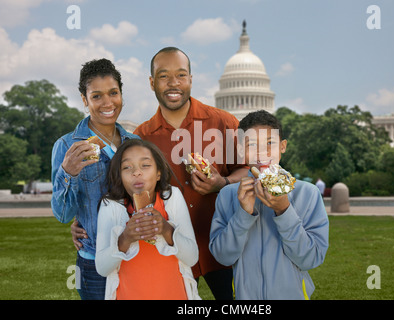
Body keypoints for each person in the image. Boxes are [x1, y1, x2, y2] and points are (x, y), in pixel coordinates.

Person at [133, 47, 248, 299]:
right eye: (163, 76)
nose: (173, 83)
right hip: (173, 248)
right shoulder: (140, 138)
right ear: (151, 83)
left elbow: (251, 170)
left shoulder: (224, 123)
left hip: (224, 244)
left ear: (191, 80)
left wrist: (222, 182)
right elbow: (129, 190)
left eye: (181, 75)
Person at [209, 110, 329, 300]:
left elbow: (311, 258)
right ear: (240, 150)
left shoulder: (308, 193)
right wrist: (242, 214)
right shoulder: (227, 195)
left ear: (282, 146)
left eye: (270, 143)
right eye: (251, 144)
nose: (261, 152)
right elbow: (223, 257)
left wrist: (284, 210)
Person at [51, 58, 140, 300]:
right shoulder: (67, 146)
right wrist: (68, 173)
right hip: (93, 263)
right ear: (84, 99)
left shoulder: (136, 144)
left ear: (121, 94)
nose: (107, 103)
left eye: (113, 93)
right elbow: (62, 214)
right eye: (97, 96)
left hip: (138, 256)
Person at [95, 139, 200, 300]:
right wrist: (125, 238)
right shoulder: (111, 206)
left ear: (158, 173)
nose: (136, 172)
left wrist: (166, 229)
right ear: (120, 176)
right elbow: (102, 268)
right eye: (127, 167)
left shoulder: (172, 197)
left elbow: (192, 257)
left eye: (145, 165)